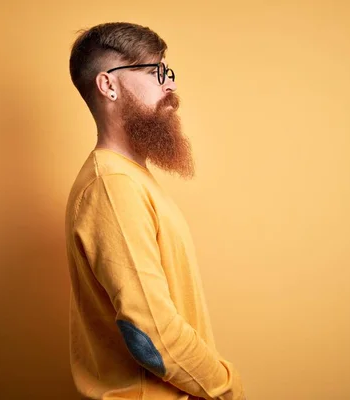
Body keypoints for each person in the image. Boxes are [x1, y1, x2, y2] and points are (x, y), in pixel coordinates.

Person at [64, 22, 246, 400]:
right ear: (108, 85)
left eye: (167, 71)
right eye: (153, 72)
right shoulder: (112, 187)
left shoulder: (130, 179)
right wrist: (227, 389)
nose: (171, 85)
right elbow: (152, 335)